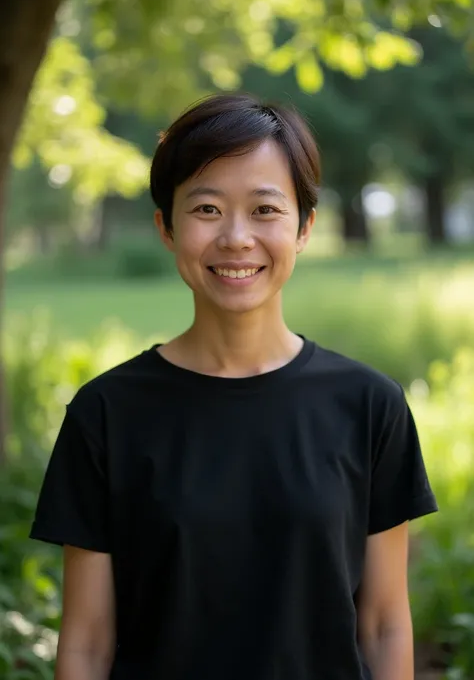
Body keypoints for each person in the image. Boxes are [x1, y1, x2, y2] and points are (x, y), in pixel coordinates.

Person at [30, 93, 438, 680]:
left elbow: (383, 625)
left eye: (266, 209)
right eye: (207, 209)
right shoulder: (106, 413)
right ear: (166, 228)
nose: (237, 238)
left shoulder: (370, 406)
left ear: (304, 228)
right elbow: (89, 640)